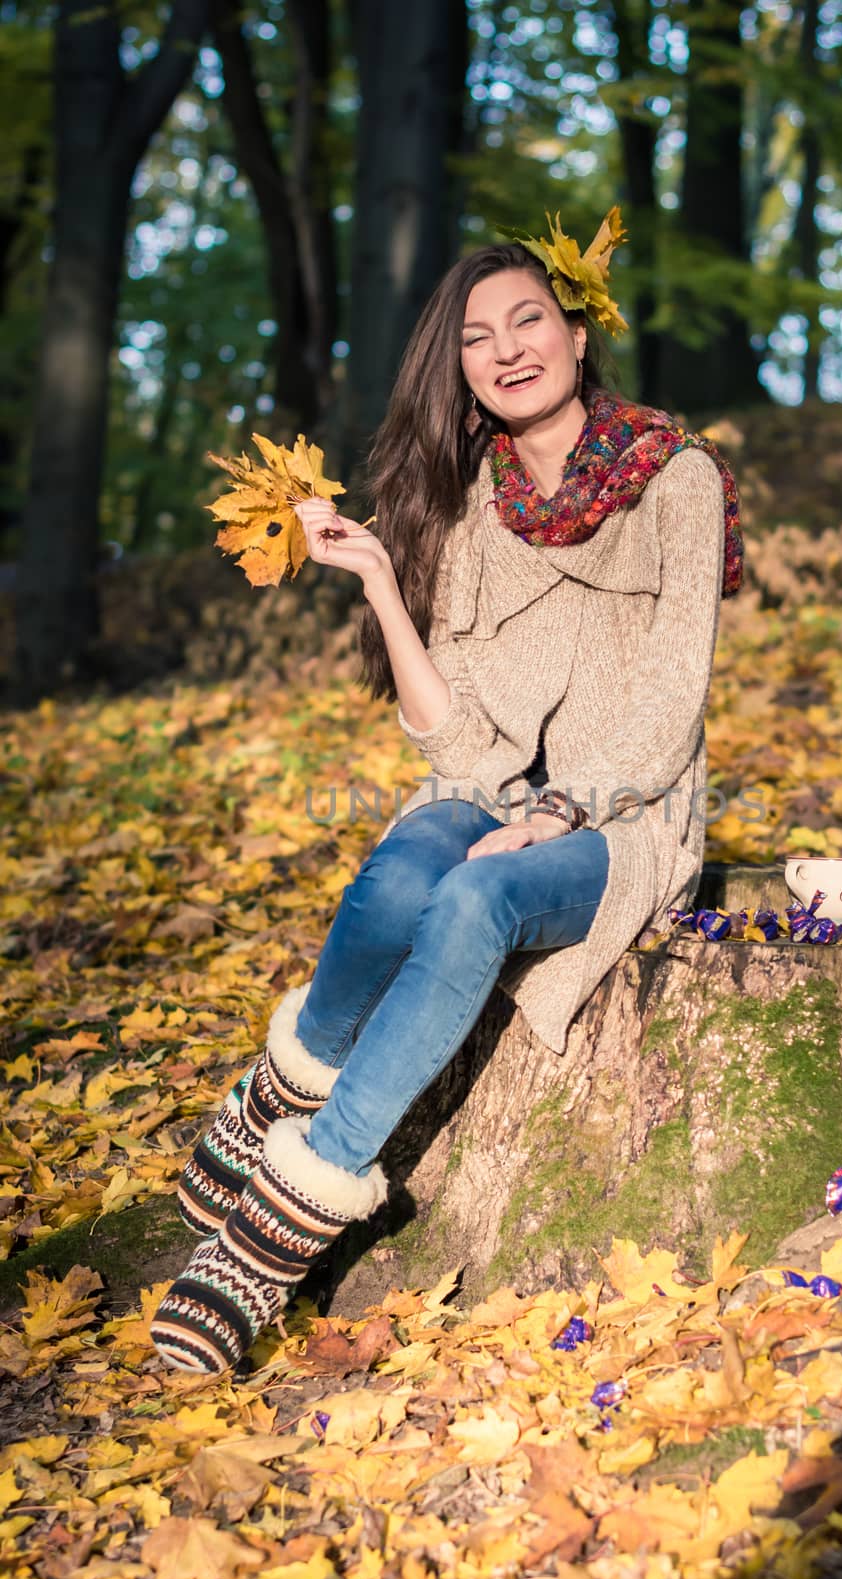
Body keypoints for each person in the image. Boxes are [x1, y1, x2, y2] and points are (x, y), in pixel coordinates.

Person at [150, 209, 743, 1374]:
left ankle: (285, 1215)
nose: (507, 348)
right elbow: (454, 737)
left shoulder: (677, 479)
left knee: (474, 902)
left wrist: (555, 812)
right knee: (405, 864)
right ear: (457, 364)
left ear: (577, 333)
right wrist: (378, 579)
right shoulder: (471, 501)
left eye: (530, 319)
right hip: (497, 793)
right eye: (478, 335)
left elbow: (671, 703)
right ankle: (284, 1082)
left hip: (626, 815)